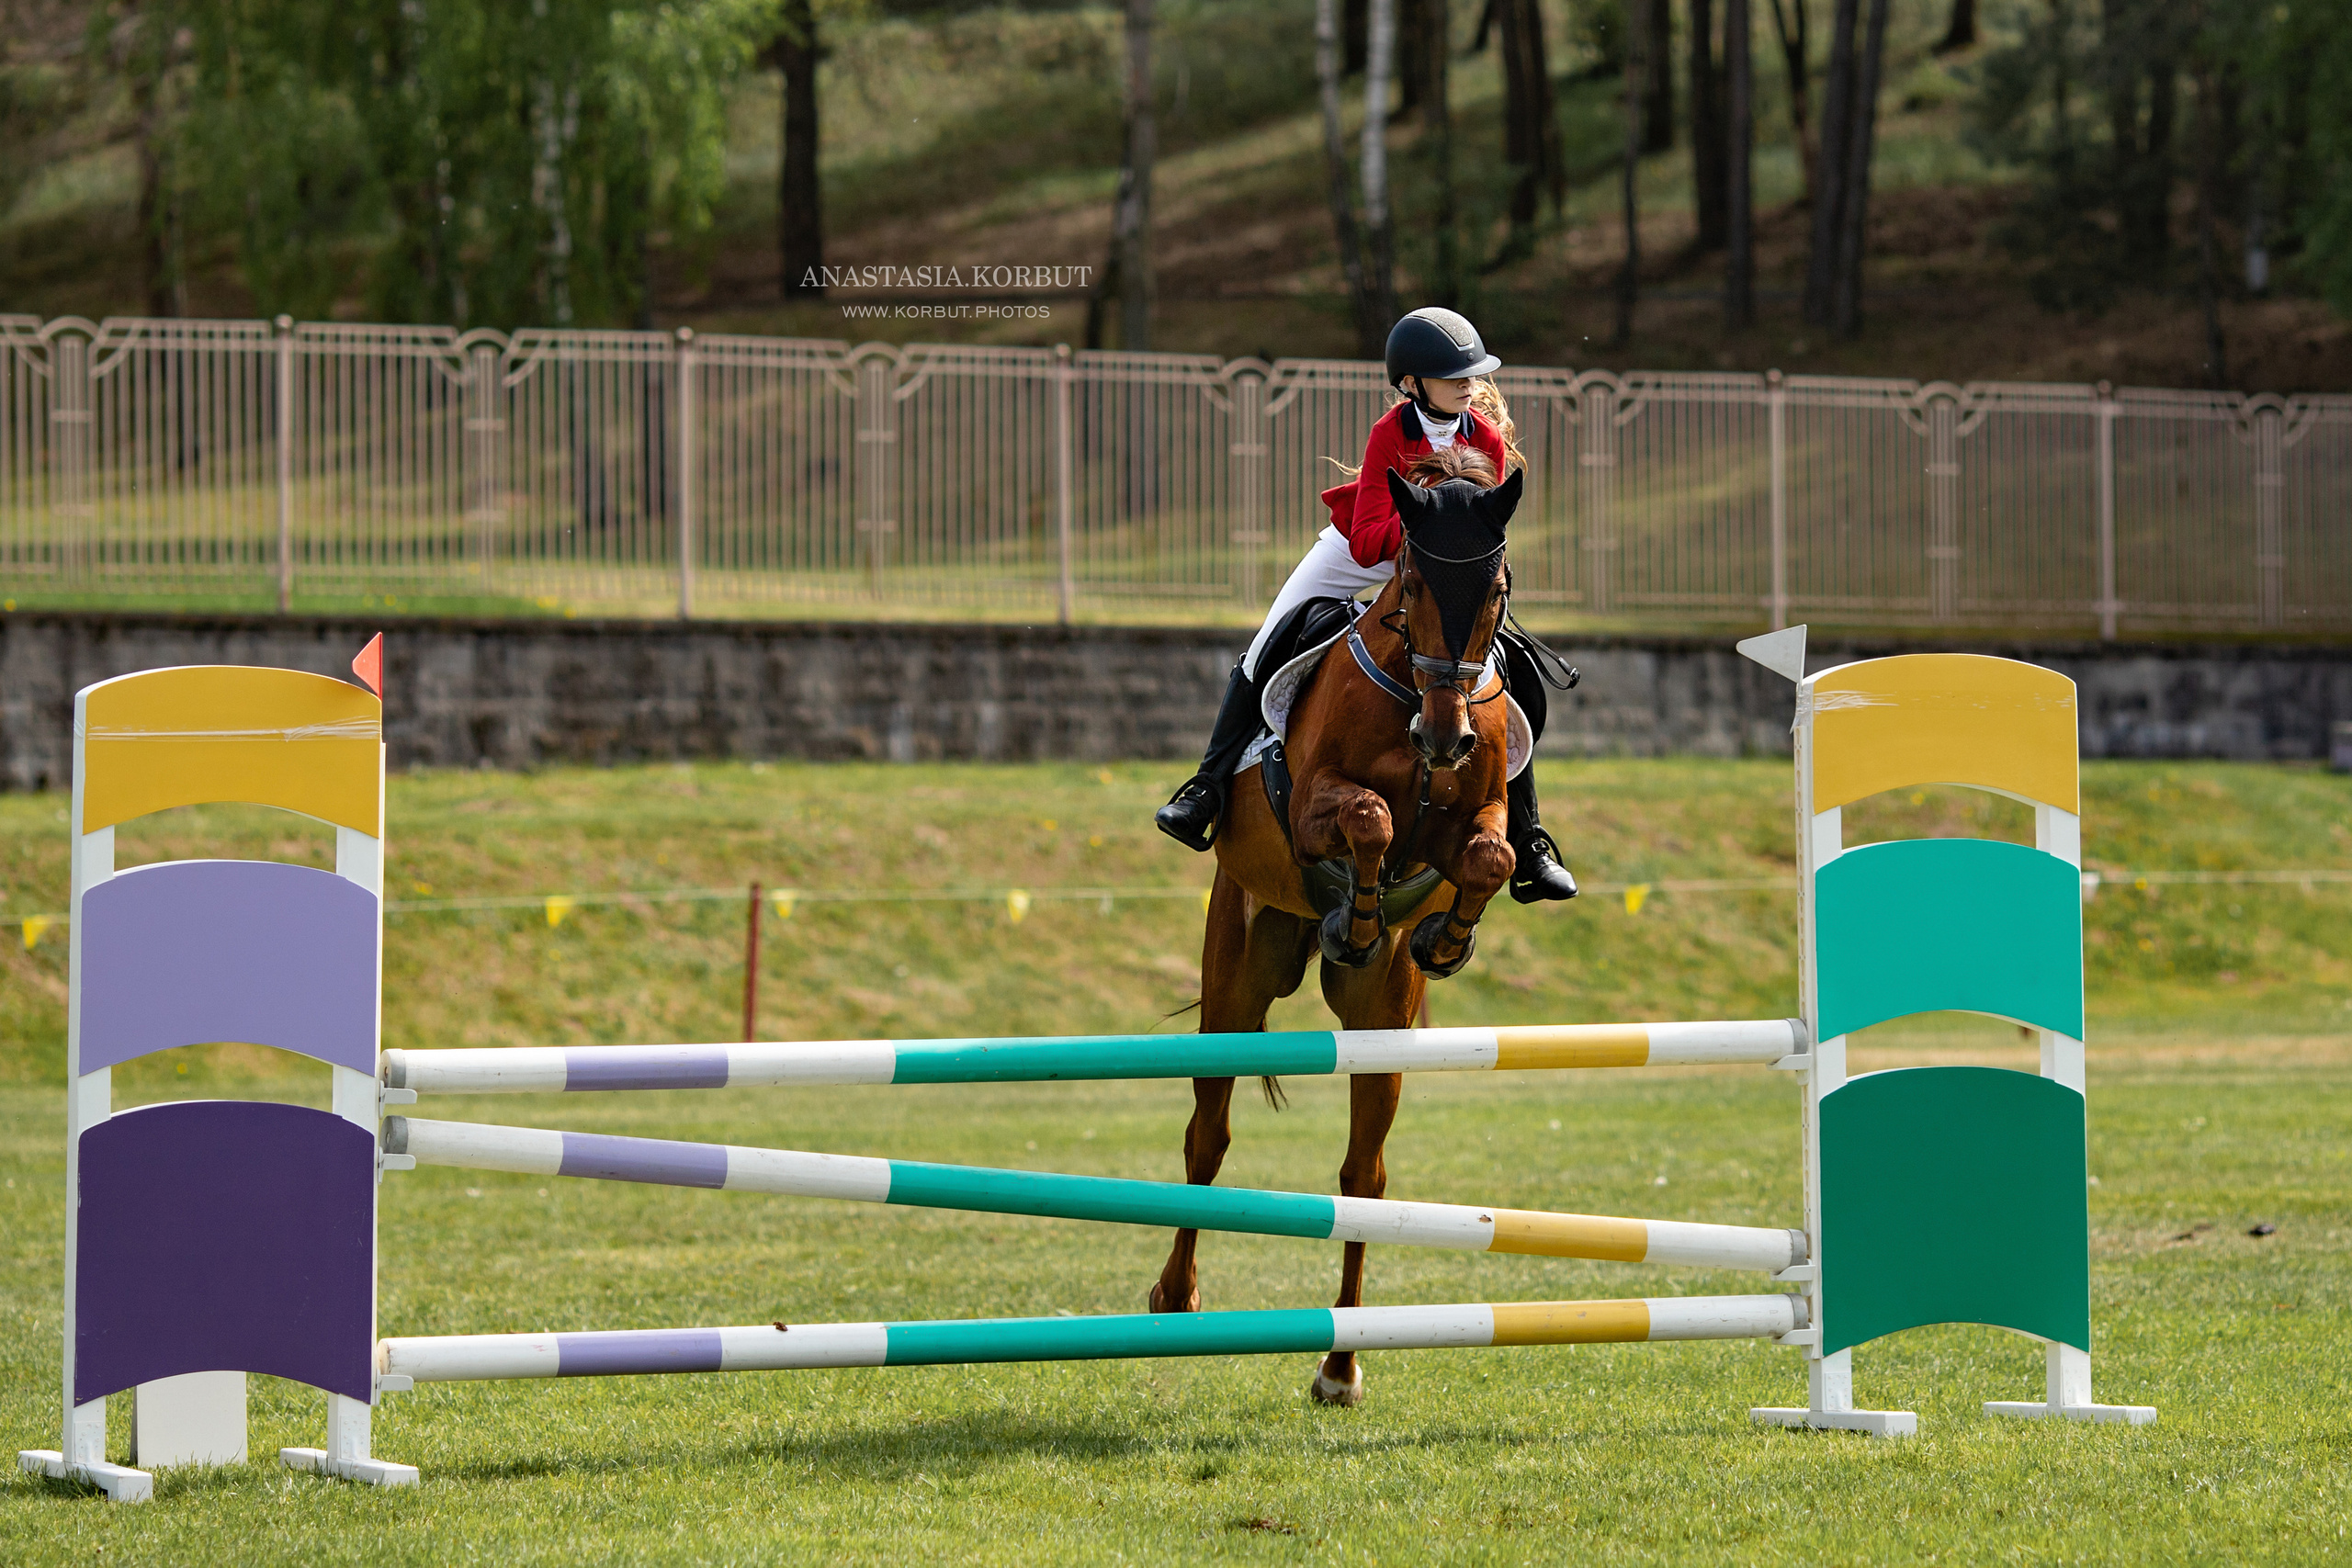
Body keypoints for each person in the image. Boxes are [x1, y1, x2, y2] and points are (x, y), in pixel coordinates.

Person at [1153, 306, 1577, 903]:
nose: (1470, 383)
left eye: (1473, 373)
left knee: (1511, 668)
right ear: (1411, 383)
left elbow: (1487, 531)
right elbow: (1369, 534)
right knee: (1271, 637)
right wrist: (1423, 540)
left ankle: (1529, 838)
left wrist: (1458, 561)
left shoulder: (1483, 436)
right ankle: (1206, 786)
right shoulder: (1390, 434)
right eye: (1455, 374)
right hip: (1367, 547)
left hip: (1444, 570)